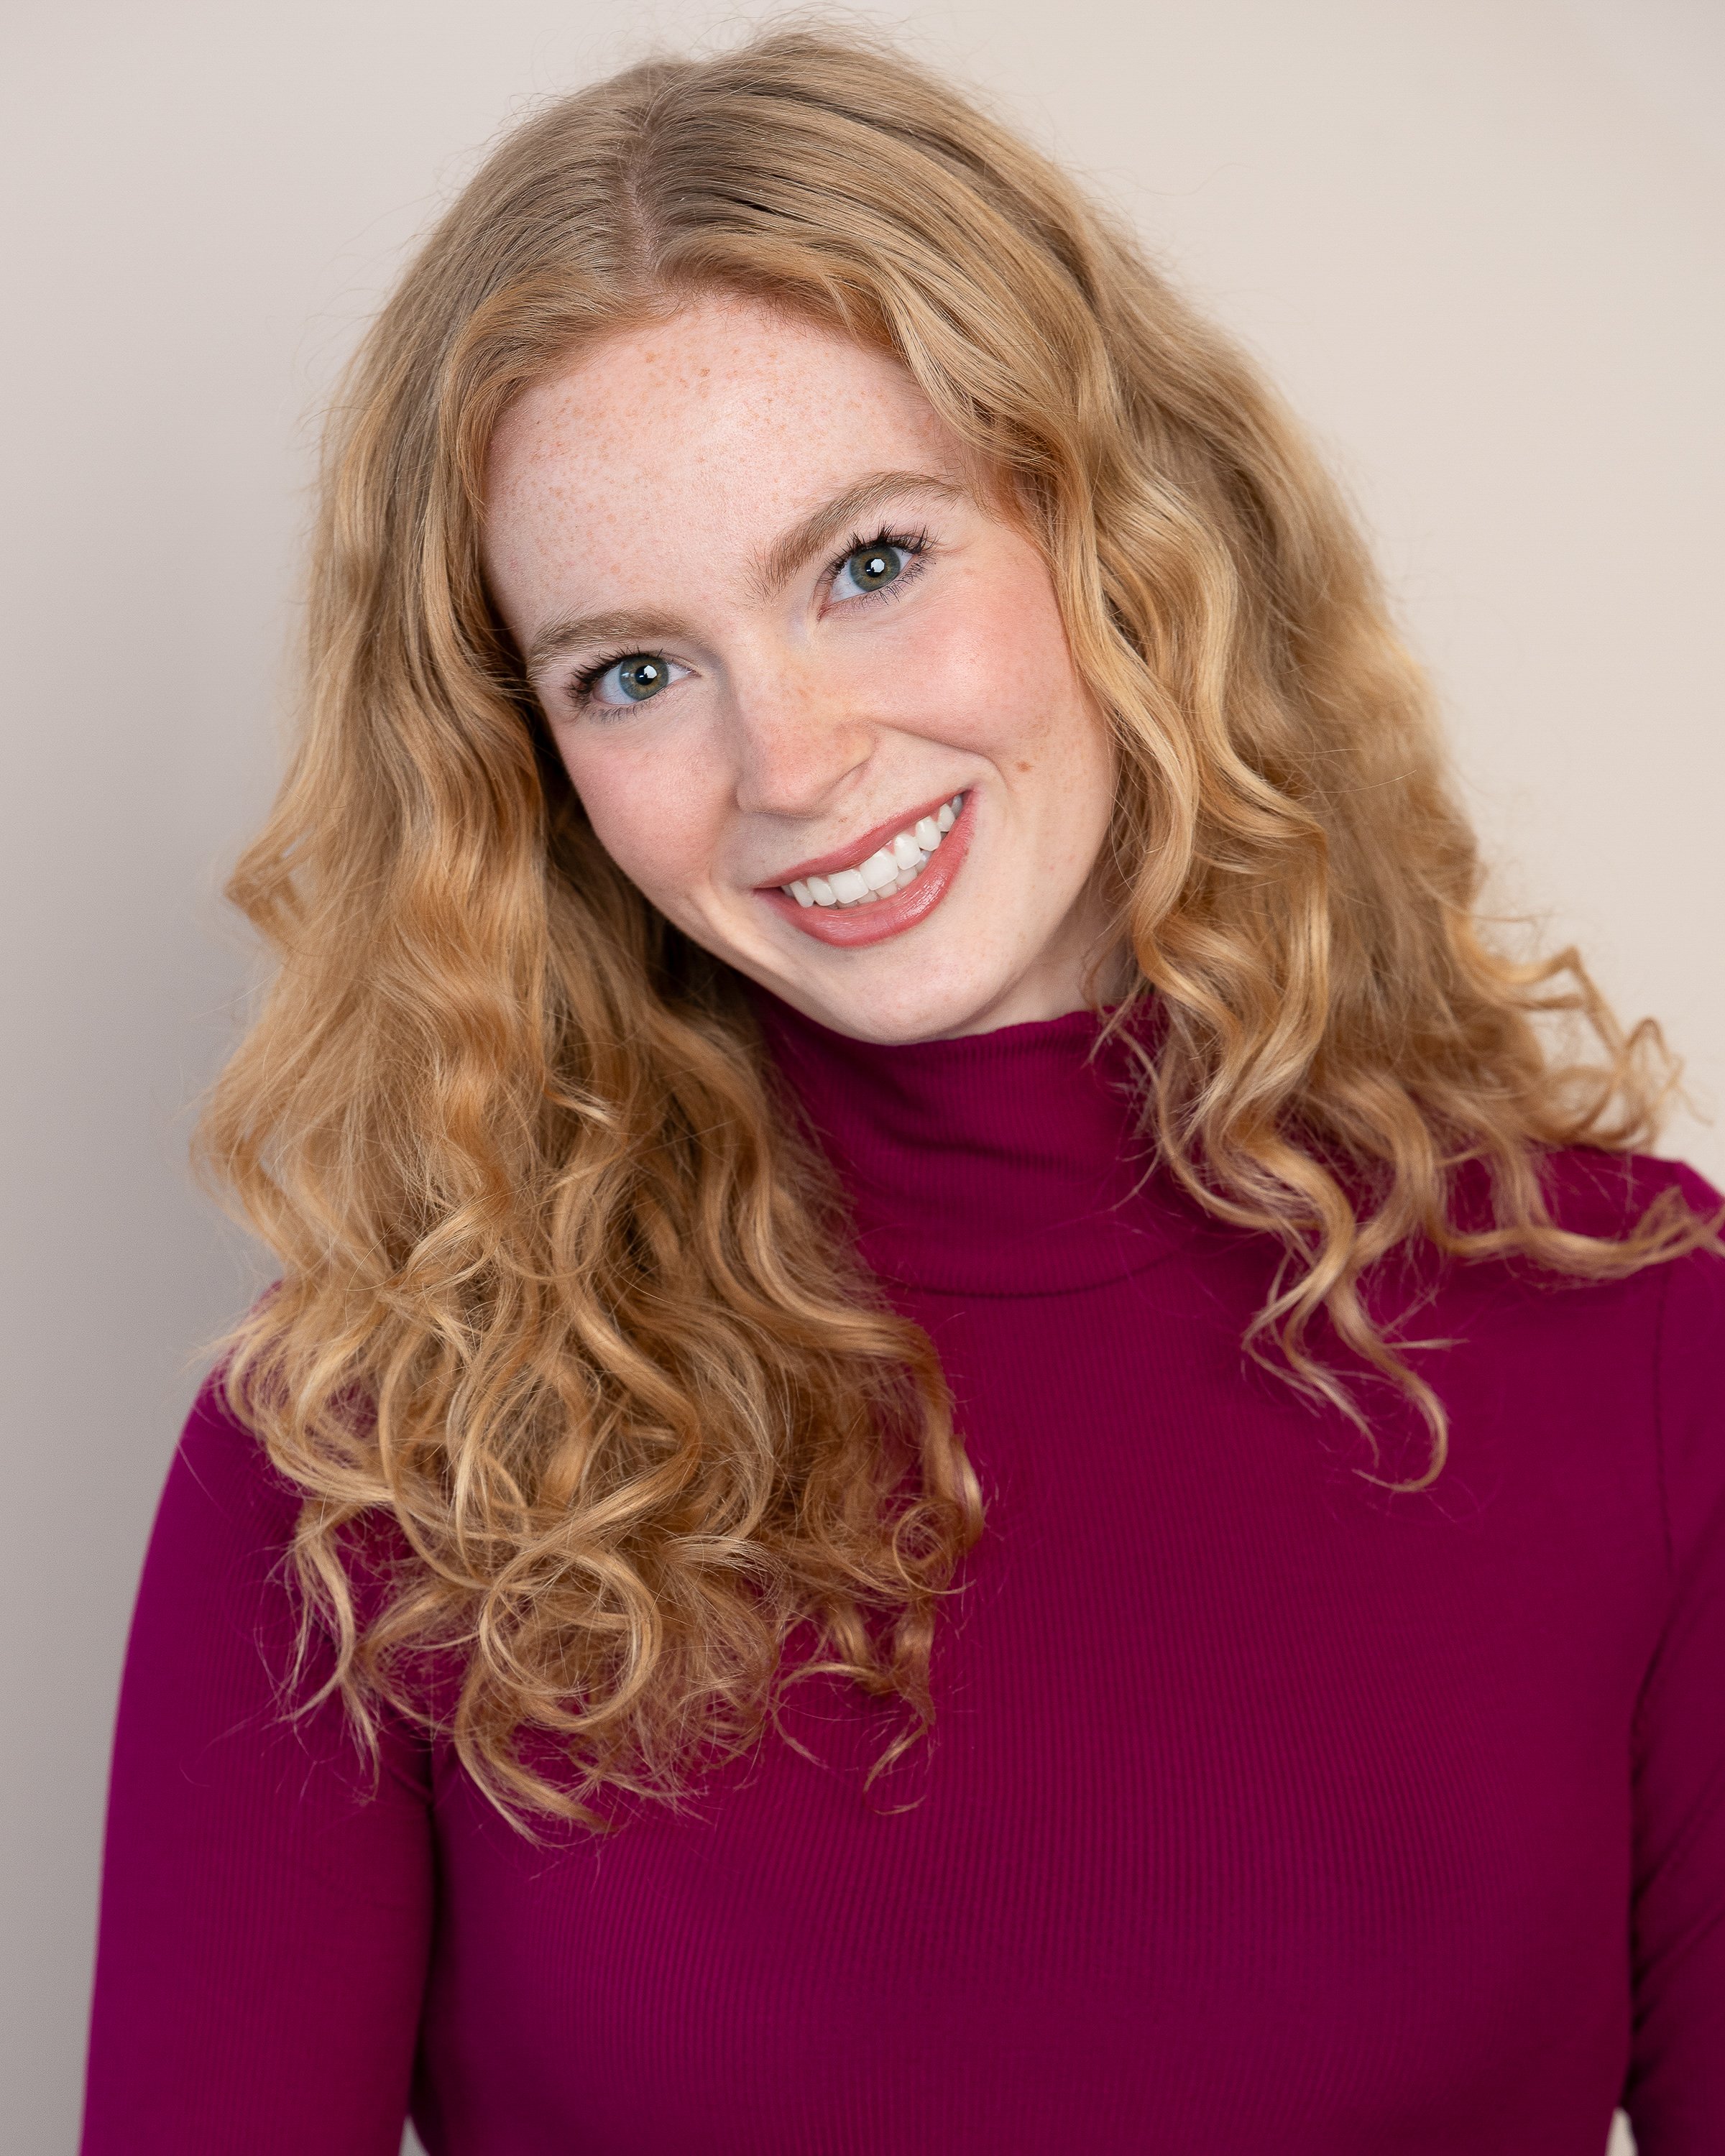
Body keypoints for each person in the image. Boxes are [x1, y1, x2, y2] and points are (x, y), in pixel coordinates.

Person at [82, 29, 1724, 2156]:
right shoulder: (363, 1472)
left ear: (1117, 528)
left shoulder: (1643, 1348)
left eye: (870, 563)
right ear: (532, 770)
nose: (793, 765)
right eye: (635, 672)